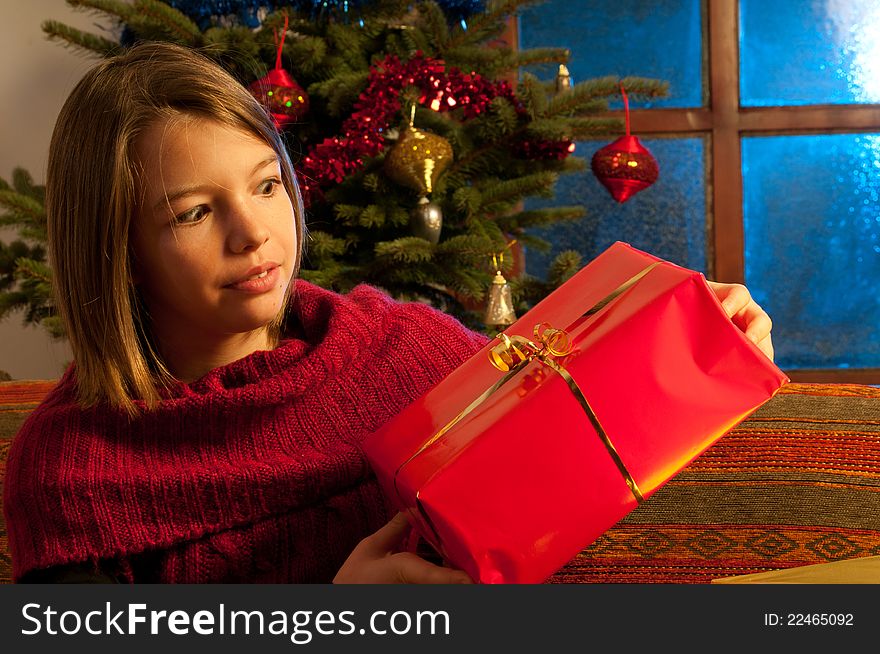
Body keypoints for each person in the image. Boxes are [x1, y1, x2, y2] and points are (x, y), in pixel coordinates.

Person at [2, 42, 773, 584]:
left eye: (267, 186)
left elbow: (587, 432)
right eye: (195, 214)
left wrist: (711, 336)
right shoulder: (69, 473)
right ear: (118, 248)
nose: (255, 235)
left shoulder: (401, 351)